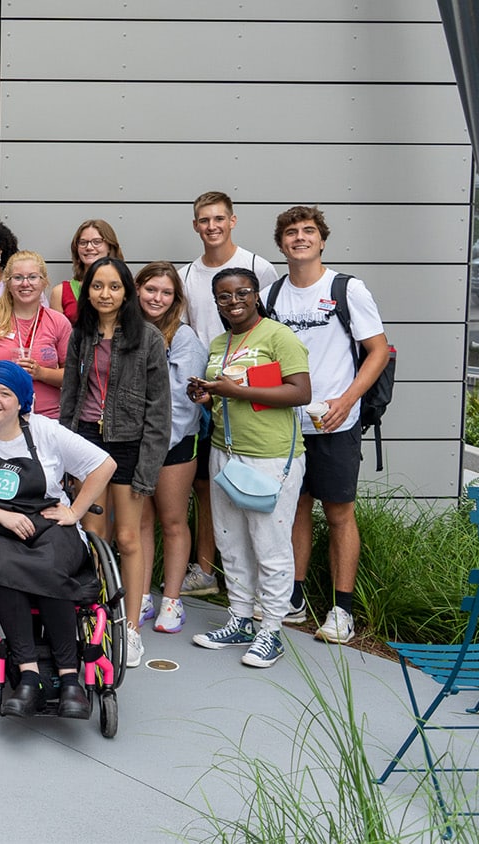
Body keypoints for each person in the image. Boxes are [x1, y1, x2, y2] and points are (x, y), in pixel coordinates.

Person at [0, 361, 115, 719]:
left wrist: (76, 512)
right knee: (4, 565)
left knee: (50, 563)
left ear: (22, 401)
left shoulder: (45, 431)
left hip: (49, 522)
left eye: (5, 393)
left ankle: (69, 679)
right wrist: (2, 515)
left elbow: (104, 465)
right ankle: (30, 676)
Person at [263, 206, 389, 645]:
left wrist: (347, 400)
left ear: (321, 240)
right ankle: (294, 598)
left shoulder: (346, 289)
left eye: (308, 231)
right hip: (287, 424)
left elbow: (378, 351)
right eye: (291, 233)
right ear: (281, 244)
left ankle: (342, 609)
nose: (300, 238)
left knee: (338, 513)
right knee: (295, 509)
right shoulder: (272, 294)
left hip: (336, 421)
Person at [189, 267, 310, 669]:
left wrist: (236, 391)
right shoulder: (220, 341)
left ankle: (271, 630)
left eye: (242, 293)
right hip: (226, 451)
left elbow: (299, 392)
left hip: (271, 456)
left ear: (256, 294)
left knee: (270, 547)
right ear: (216, 301)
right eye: (224, 296)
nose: (234, 301)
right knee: (231, 541)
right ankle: (240, 619)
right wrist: (205, 395)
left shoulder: (278, 336)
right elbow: (225, 393)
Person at [58, 256, 171, 669]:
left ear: (127, 292)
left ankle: (131, 630)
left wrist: (147, 469)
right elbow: (70, 397)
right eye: (97, 286)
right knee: (92, 536)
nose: (105, 294)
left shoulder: (150, 339)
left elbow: (160, 412)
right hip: (87, 443)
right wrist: (65, 454)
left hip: (129, 445)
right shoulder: (80, 335)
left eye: (114, 286)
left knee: (127, 538)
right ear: (87, 291)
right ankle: (95, 620)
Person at [179, 192, 282, 601]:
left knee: (258, 483)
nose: (212, 226)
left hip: (251, 392)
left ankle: (264, 585)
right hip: (205, 394)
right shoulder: (186, 274)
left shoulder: (260, 267)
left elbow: (273, 328)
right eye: (204, 220)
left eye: (219, 218)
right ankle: (205, 572)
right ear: (195, 225)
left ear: (233, 221)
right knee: (207, 485)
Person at [134, 261, 206, 634]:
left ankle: (173, 600)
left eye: (165, 292)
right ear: (137, 290)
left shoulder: (182, 338)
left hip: (173, 443)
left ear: (175, 298)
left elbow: (182, 400)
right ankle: (142, 594)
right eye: (150, 289)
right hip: (134, 443)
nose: (156, 298)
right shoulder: (126, 332)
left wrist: (157, 443)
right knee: (141, 521)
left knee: (173, 520)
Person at [0, 250, 72, 421]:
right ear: (8, 283)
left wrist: (42, 373)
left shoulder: (58, 322)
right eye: (18, 278)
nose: (25, 284)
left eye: (32, 277)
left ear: (44, 282)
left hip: (47, 419)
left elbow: (72, 375)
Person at [49, 219, 124, 324]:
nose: (89, 247)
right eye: (83, 242)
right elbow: (58, 336)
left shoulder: (125, 286)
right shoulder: (60, 292)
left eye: (97, 242)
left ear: (110, 247)